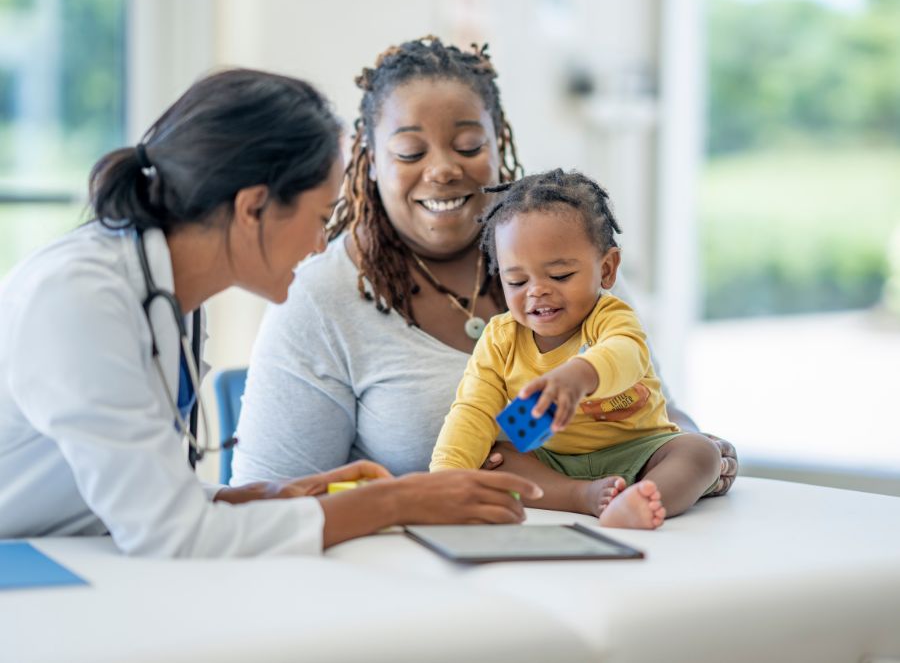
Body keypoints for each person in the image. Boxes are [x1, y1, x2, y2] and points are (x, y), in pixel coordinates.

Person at [0, 68, 541, 558]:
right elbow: (170, 535)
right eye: (320, 216)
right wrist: (395, 501)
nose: (319, 242)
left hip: (63, 556)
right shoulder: (77, 299)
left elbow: (145, 498)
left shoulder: (169, 298)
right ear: (253, 207)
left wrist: (265, 497)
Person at [232, 36, 737, 496]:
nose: (444, 168)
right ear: (368, 158)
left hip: (592, 547)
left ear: (501, 145)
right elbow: (273, 501)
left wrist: (696, 449)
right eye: (409, 151)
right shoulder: (321, 298)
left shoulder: (570, 253)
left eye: (469, 146)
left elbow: (647, 404)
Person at [430, 169, 722, 529]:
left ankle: (644, 498)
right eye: (517, 281)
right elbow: (471, 412)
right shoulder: (500, 340)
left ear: (607, 270)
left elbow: (627, 354)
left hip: (641, 451)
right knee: (495, 458)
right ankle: (582, 497)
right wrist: (444, 480)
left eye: (560, 276)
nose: (536, 291)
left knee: (700, 453)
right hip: (555, 464)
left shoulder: (611, 316)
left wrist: (581, 375)